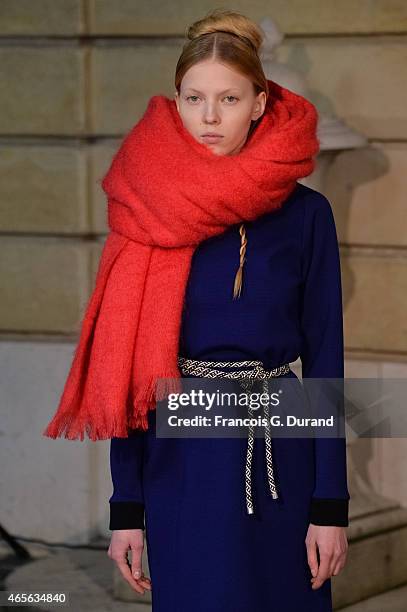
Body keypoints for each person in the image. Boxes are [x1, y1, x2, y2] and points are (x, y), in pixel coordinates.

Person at [44, 9, 350, 612]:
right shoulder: (146, 210)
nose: (209, 117)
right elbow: (128, 371)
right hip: (180, 459)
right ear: (176, 101)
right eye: (194, 98)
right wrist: (126, 509)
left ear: (260, 104)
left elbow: (325, 358)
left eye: (229, 98)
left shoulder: (306, 214)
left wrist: (329, 506)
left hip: (280, 448)